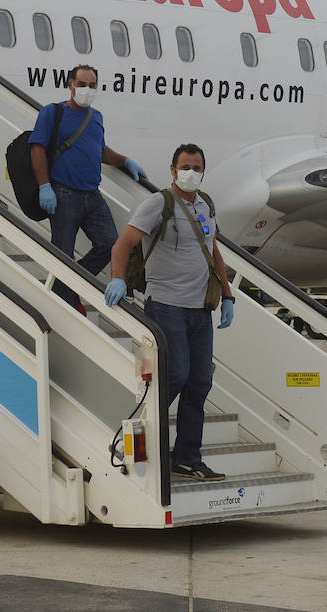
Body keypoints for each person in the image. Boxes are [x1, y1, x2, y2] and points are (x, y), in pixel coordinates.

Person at [104, 143, 235, 482]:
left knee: (199, 382)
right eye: (185, 166)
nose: (191, 172)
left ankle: (187, 456)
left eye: (197, 167)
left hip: (199, 309)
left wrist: (229, 293)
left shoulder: (205, 204)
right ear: (173, 169)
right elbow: (124, 243)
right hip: (166, 304)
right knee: (175, 374)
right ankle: (141, 435)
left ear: (203, 170)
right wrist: (118, 280)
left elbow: (213, 250)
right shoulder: (158, 203)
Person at [31, 65, 145, 310]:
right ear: (70, 85)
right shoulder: (53, 113)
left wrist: (125, 161)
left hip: (92, 195)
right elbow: (37, 148)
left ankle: (69, 288)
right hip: (63, 194)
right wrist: (44, 186)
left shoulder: (96, 117)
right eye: (82, 84)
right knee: (63, 252)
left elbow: (101, 150)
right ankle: (64, 304)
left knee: (110, 245)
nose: (87, 90)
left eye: (92, 85)